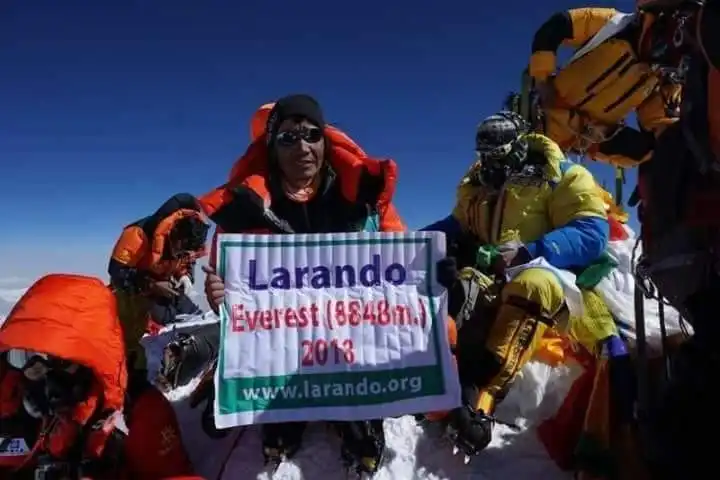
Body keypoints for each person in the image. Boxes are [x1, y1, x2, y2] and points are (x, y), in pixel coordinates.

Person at [197, 94, 405, 475]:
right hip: (279, 347)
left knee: (358, 417)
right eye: (288, 137)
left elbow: (400, 261)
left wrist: (427, 278)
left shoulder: (363, 199)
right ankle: (288, 406)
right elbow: (226, 282)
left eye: (312, 134)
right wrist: (219, 296)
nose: (303, 146)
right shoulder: (245, 209)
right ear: (271, 147)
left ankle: (354, 411)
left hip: (349, 340)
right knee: (274, 425)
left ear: (325, 141)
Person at [421, 111, 610, 457]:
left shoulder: (563, 175)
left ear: (520, 144)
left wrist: (529, 251)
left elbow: (592, 233)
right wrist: (409, 246)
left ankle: (483, 401)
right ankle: (441, 380)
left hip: (544, 272)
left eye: (500, 154)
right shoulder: (477, 185)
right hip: (486, 275)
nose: (492, 164)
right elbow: (455, 225)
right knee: (454, 285)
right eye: (485, 156)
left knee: (533, 284)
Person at [0, 274, 198, 479]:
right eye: (25, 356)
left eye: (58, 359)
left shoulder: (138, 412)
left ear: (90, 358)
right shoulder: (12, 401)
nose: (41, 373)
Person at [527, 3, 688, 167]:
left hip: (573, 141)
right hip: (537, 117)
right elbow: (557, 26)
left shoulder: (662, 79)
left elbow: (657, 130)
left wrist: (601, 140)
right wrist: (542, 81)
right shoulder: (613, 24)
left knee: (665, 151)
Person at [109, 193, 210, 372]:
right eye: (181, 249)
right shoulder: (137, 235)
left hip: (165, 287)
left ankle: (197, 353)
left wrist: (184, 276)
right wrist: (151, 285)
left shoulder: (185, 242)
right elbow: (117, 273)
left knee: (198, 320)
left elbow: (183, 261)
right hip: (134, 290)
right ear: (173, 234)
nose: (182, 254)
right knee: (140, 332)